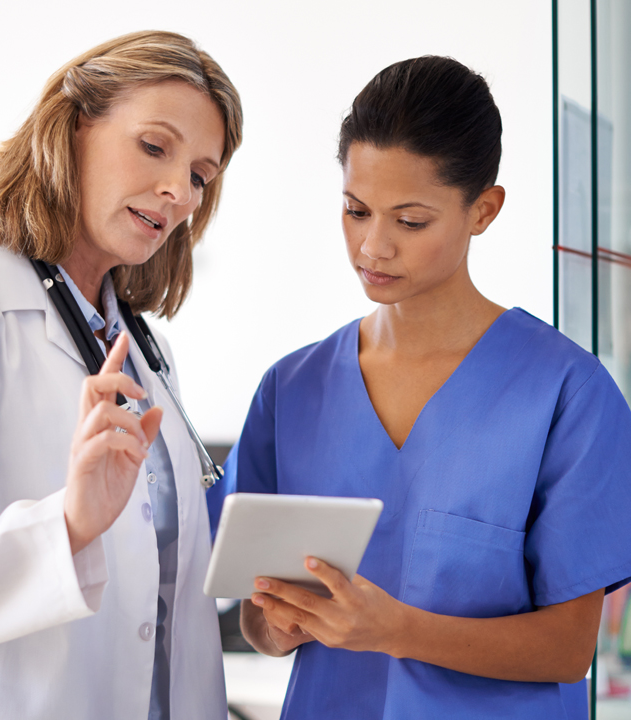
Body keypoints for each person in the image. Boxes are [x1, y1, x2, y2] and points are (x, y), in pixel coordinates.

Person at [208, 56, 631, 719]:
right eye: (356, 210)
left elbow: (567, 649)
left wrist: (395, 630)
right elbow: (260, 624)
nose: (372, 247)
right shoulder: (292, 390)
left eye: (410, 222)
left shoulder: (567, 393)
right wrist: (280, 625)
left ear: (483, 210)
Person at [0, 30, 242, 720]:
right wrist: (64, 526)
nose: (178, 191)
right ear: (74, 127)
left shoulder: (145, 352)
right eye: (154, 147)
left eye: (200, 175)